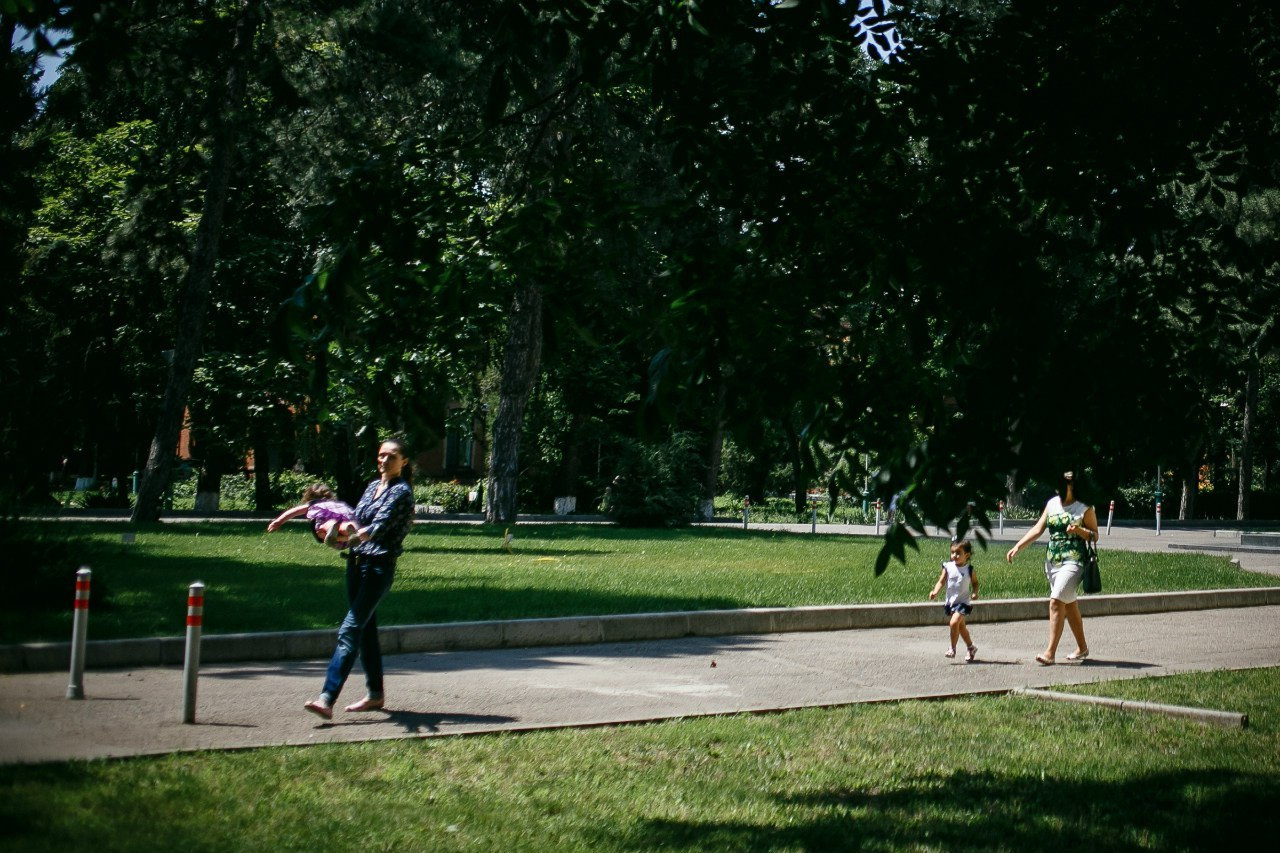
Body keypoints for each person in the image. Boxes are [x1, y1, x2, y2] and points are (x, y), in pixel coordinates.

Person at [304, 438, 416, 720]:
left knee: (350, 628)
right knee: (365, 631)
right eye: (381, 456)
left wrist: (351, 536)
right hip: (355, 564)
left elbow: (378, 526)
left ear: (404, 461)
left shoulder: (402, 492)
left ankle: (326, 698)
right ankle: (375, 696)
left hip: (378, 567)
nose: (384, 461)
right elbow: (354, 517)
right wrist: (333, 530)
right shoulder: (371, 487)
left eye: (391, 457)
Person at [1005, 471, 1099, 665]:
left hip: (1074, 560)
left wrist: (1080, 530)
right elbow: (1038, 529)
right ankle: (1082, 648)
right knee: (1069, 604)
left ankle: (1050, 653)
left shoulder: (1084, 507)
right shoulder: (1052, 504)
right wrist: (1017, 546)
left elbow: (1095, 535)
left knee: (1056, 601)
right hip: (1052, 561)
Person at [266, 483, 359, 550]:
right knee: (343, 525)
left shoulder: (314, 504)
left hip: (334, 538)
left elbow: (294, 511)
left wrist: (278, 522)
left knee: (322, 529)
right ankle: (348, 529)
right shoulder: (337, 504)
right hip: (346, 522)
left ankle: (331, 527)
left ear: (309, 497)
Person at [929, 539, 979, 662]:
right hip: (951, 603)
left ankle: (952, 648)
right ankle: (971, 647)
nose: (954, 556)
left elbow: (975, 583)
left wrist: (975, 592)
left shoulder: (969, 570)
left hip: (963, 603)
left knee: (953, 623)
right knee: (961, 628)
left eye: (958, 553)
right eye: (952, 553)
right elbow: (941, 581)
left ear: (966, 555)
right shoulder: (947, 567)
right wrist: (935, 591)